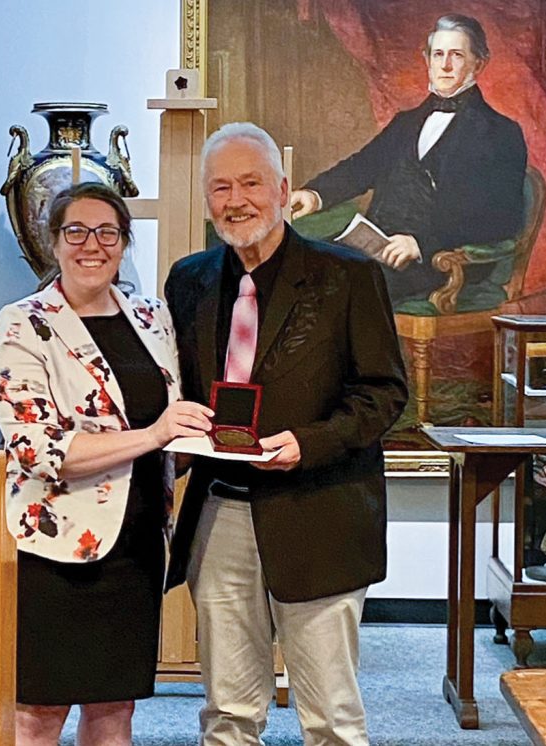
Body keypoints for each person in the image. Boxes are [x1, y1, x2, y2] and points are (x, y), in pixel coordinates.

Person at [164, 122, 409, 745]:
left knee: (330, 719)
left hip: (319, 512)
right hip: (219, 517)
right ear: (206, 197)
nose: (236, 199)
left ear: (282, 189)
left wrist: (309, 442)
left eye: (250, 182)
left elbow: (385, 395)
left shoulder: (349, 277)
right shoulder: (186, 280)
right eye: (221, 186)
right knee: (227, 714)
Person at [0, 182, 213, 745]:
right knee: (38, 716)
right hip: (54, 550)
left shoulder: (150, 315)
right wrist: (155, 434)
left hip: (135, 545)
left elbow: (171, 429)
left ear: (123, 242)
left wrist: (212, 438)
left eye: (108, 232)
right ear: (54, 242)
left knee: (115, 712)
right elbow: (39, 451)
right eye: (77, 231)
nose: (93, 245)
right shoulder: (22, 324)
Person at [290, 13, 527, 306]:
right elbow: (361, 167)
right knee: (297, 266)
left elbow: (501, 217)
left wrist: (421, 244)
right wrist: (315, 195)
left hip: (441, 262)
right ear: (427, 60)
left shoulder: (500, 133)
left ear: (479, 63)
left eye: (456, 55)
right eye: (438, 54)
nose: (446, 65)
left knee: (342, 284)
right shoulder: (406, 123)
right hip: (378, 246)